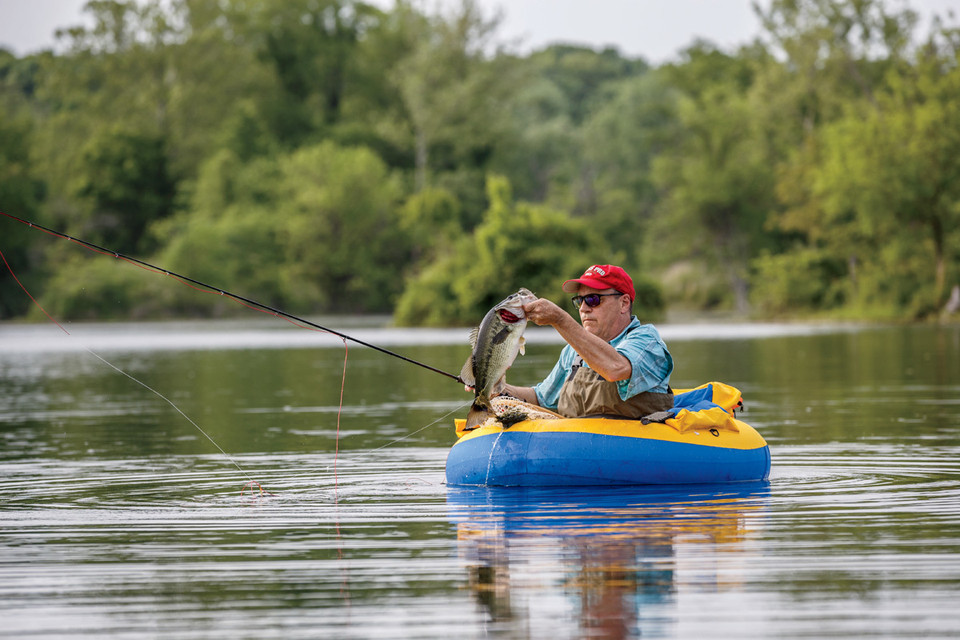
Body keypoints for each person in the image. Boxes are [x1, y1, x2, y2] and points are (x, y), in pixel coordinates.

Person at [502, 264, 674, 418]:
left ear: (624, 303)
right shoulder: (573, 350)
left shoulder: (647, 340)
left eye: (593, 299)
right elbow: (541, 398)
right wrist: (500, 389)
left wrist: (560, 320)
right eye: (579, 301)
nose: (584, 308)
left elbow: (616, 368)